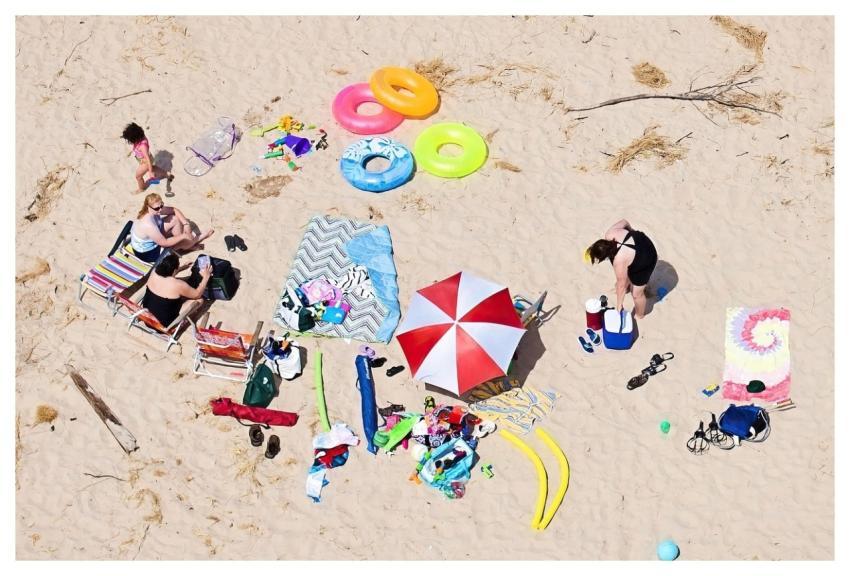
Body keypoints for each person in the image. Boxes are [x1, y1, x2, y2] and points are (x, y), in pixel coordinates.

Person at [586, 219, 658, 319]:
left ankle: (640, 315)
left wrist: (619, 306)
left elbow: (621, 285)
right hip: (642, 241)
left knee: (637, 294)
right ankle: (631, 280)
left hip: (647, 258)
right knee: (626, 271)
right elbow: (624, 222)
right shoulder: (610, 233)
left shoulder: (619, 261)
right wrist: (631, 231)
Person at [130, 193, 214, 263]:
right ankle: (196, 239)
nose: (160, 210)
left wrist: (186, 224)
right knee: (185, 238)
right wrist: (183, 236)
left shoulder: (155, 209)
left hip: (151, 239)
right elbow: (164, 243)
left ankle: (185, 244)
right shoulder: (148, 224)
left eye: (161, 205)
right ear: (148, 206)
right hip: (147, 253)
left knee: (175, 219)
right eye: (157, 208)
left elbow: (174, 210)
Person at [142, 253, 211, 328]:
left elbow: (167, 274)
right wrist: (206, 277)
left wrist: (182, 267)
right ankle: (181, 323)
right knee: (199, 300)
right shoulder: (178, 284)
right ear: (175, 269)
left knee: (176, 289)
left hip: (146, 317)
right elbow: (197, 294)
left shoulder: (154, 272)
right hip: (164, 325)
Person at [122, 122, 173, 194]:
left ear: (135, 137)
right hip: (146, 158)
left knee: (138, 176)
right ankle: (166, 174)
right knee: (152, 167)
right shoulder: (141, 137)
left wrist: (151, 172)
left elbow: (148, 159)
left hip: (145, 162)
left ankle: (141, 189)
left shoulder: (143, 147)